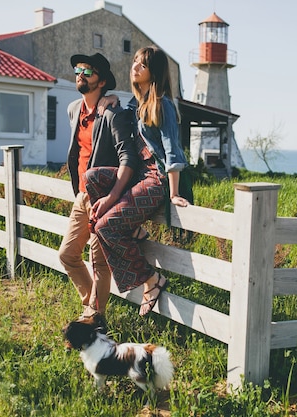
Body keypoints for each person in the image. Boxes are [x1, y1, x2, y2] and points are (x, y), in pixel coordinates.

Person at [88, 45, 190, 316]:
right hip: (139, 176)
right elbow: (126, 116)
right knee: (93, 178)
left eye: (142, 65)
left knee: (105, 227)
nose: (134, 66)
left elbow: (172, 150)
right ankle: (132, 230)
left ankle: (151, 280)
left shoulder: (163, 105)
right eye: (134, 61)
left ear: (153, 73)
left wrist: (173, 192)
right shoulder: (136, 105)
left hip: (156, 179)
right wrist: (112, 100)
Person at [58, 52, 138, 327]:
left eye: (88, 71)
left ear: (102, 81)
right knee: (67, 254)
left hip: (103, 198)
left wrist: (113, 195)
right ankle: (92, 309)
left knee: (99, 262)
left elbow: (128, 157)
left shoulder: (113, 113)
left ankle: (93, 316)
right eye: (78, 69)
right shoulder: (73, 109)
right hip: (81, 196)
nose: (80, 73)